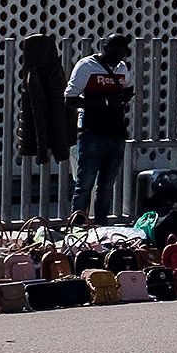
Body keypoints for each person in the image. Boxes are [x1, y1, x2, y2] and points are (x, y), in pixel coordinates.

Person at [64, 34, 134, 222]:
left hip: (117, 133)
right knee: (85, 184)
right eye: (114, 52)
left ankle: (102, 224)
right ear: (104, 48)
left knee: (106, 185)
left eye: (121, 53)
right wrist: (103, 102)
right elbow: (70, 98)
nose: (117, 56)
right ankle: (78, 224)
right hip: (93, 132)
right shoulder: (86, 66)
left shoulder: (121, 68)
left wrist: (124, 98)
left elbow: (128, 87)